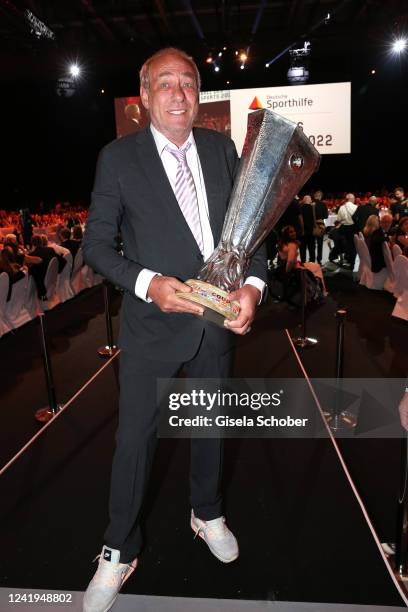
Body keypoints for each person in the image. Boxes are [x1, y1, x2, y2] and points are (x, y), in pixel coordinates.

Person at [82, 48, 267, 612]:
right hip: (151, 327)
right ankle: (119, 549)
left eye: (189, 83)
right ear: (144, 96)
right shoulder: (117, 159)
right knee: (134, 441)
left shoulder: (220, 148)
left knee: (211, 426)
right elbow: (96, 247)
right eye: (166, 84)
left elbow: (250, 231)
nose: (180, 94)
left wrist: (253, 288)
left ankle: (206, 512)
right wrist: (148, 283)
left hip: (216, 323)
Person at [337, 193, 357, 269]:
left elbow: (338, 219)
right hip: (353, 228)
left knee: (345, 245)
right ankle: (352, 263)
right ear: (351, 199)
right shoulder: (355, 207)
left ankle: (346, 260)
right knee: (353, 246)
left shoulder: (341, 208)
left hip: (344, 228)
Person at [312, 190, 328, 264]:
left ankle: (312, 259)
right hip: (320, 225)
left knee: (311, 243)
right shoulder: (323, 204)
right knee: (320, 243)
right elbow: (326, 216)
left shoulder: (311, 204)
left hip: (312, 225)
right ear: (320, 196)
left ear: (315, 196)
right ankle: (319, 259)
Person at [299, 195, 315, 263]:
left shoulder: (300, 208)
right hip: (311, 231)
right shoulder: (313, 208)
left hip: (303, 231)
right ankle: (312, 262)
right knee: (311, 248)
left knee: (302, 248)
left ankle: (303, 262)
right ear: (309, 200)